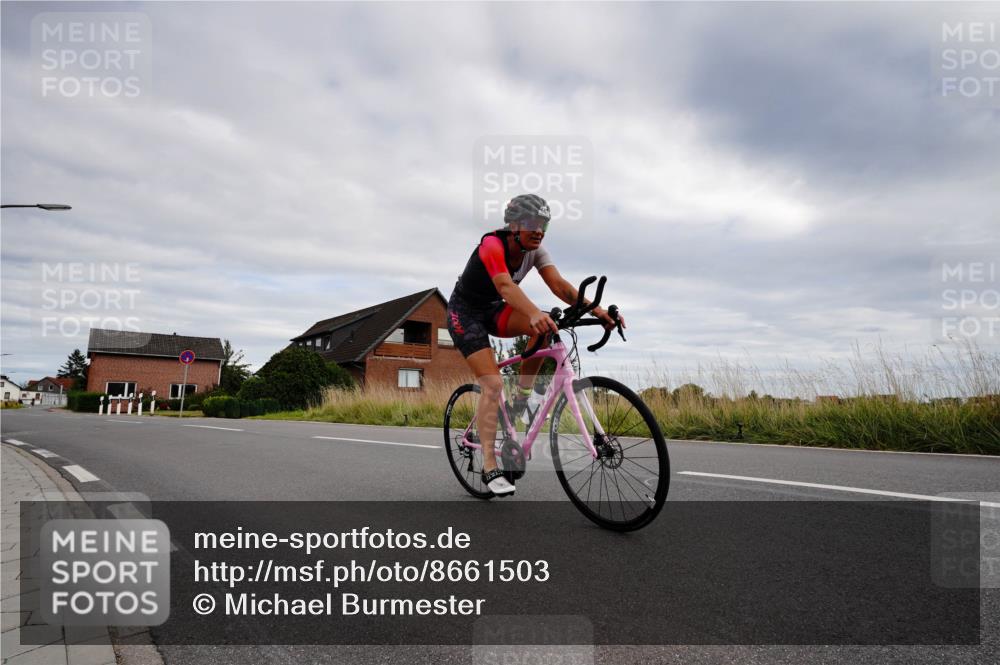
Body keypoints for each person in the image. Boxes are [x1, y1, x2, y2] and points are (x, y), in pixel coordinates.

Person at [447, 194, 623, 496]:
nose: (538, 230)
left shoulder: (537, 250)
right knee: (492, 384)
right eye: (532, 223)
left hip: (493, 309)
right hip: (464, 312)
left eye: (544, 225)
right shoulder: (492, 244)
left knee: (543, 330)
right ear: (513, 224)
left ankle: (521, 398)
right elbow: (505, 286)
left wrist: (598, 310)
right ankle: (490, 465)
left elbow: (560, 286)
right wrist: (532, 312)